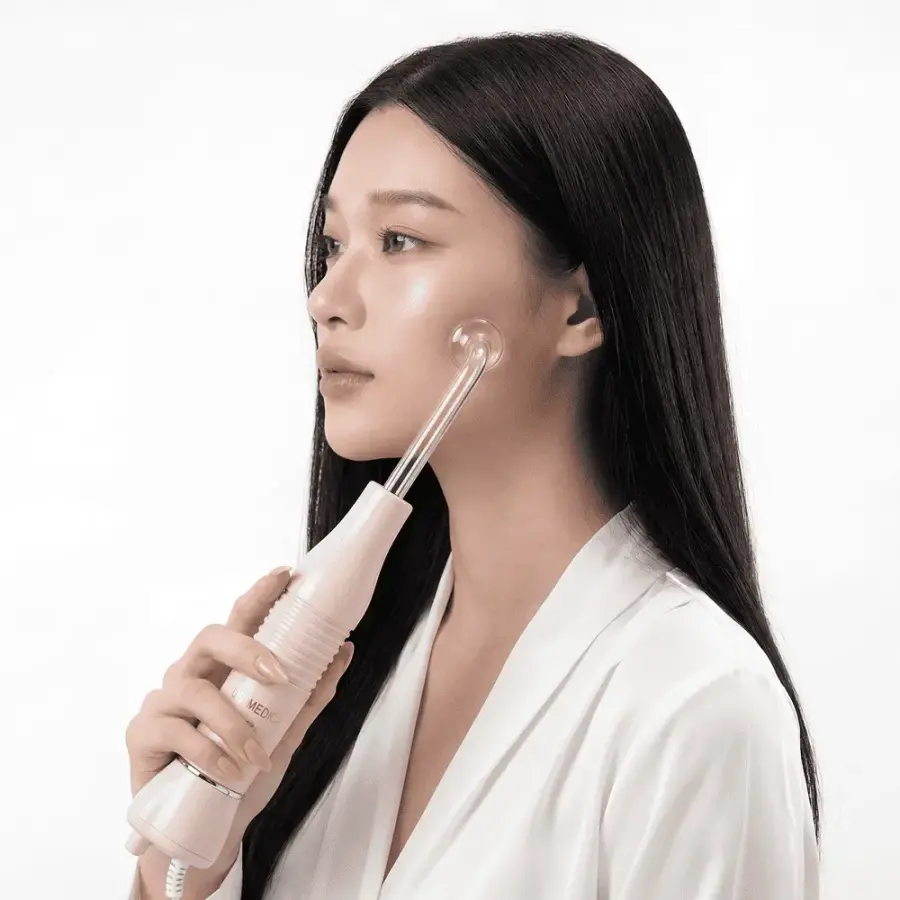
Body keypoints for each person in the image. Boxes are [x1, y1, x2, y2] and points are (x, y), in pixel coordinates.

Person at [125, 31, 821, 900]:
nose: (327, 299)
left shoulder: (694, 703)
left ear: (583, 307)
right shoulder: (337, 675)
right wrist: (183, 870)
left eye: (401, 240)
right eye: (333, 245)